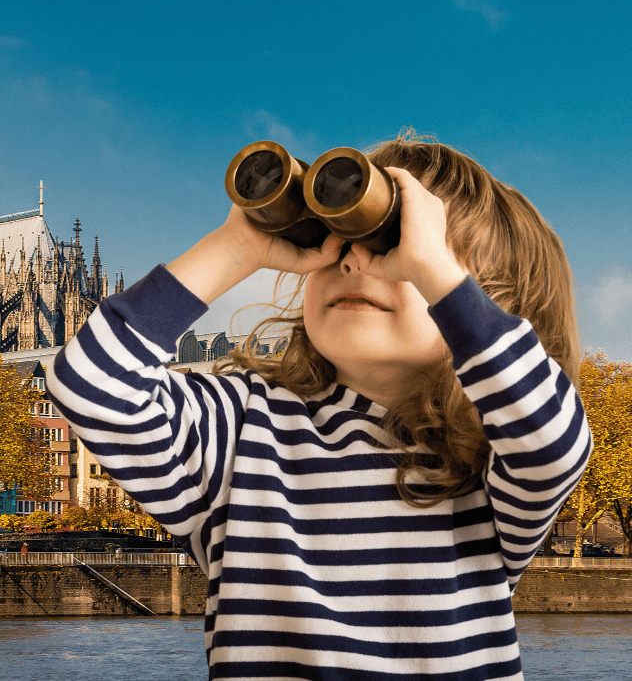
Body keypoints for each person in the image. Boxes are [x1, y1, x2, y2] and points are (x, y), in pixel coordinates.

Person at [47, 134, 590, 680]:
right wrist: (237, 246)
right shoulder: (244, 429)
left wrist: (437, 274)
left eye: (391, 243)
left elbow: (552, 443)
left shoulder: (486, 461)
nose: (354, 260)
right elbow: (91, 384)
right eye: (337, 237)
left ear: (489, 304)